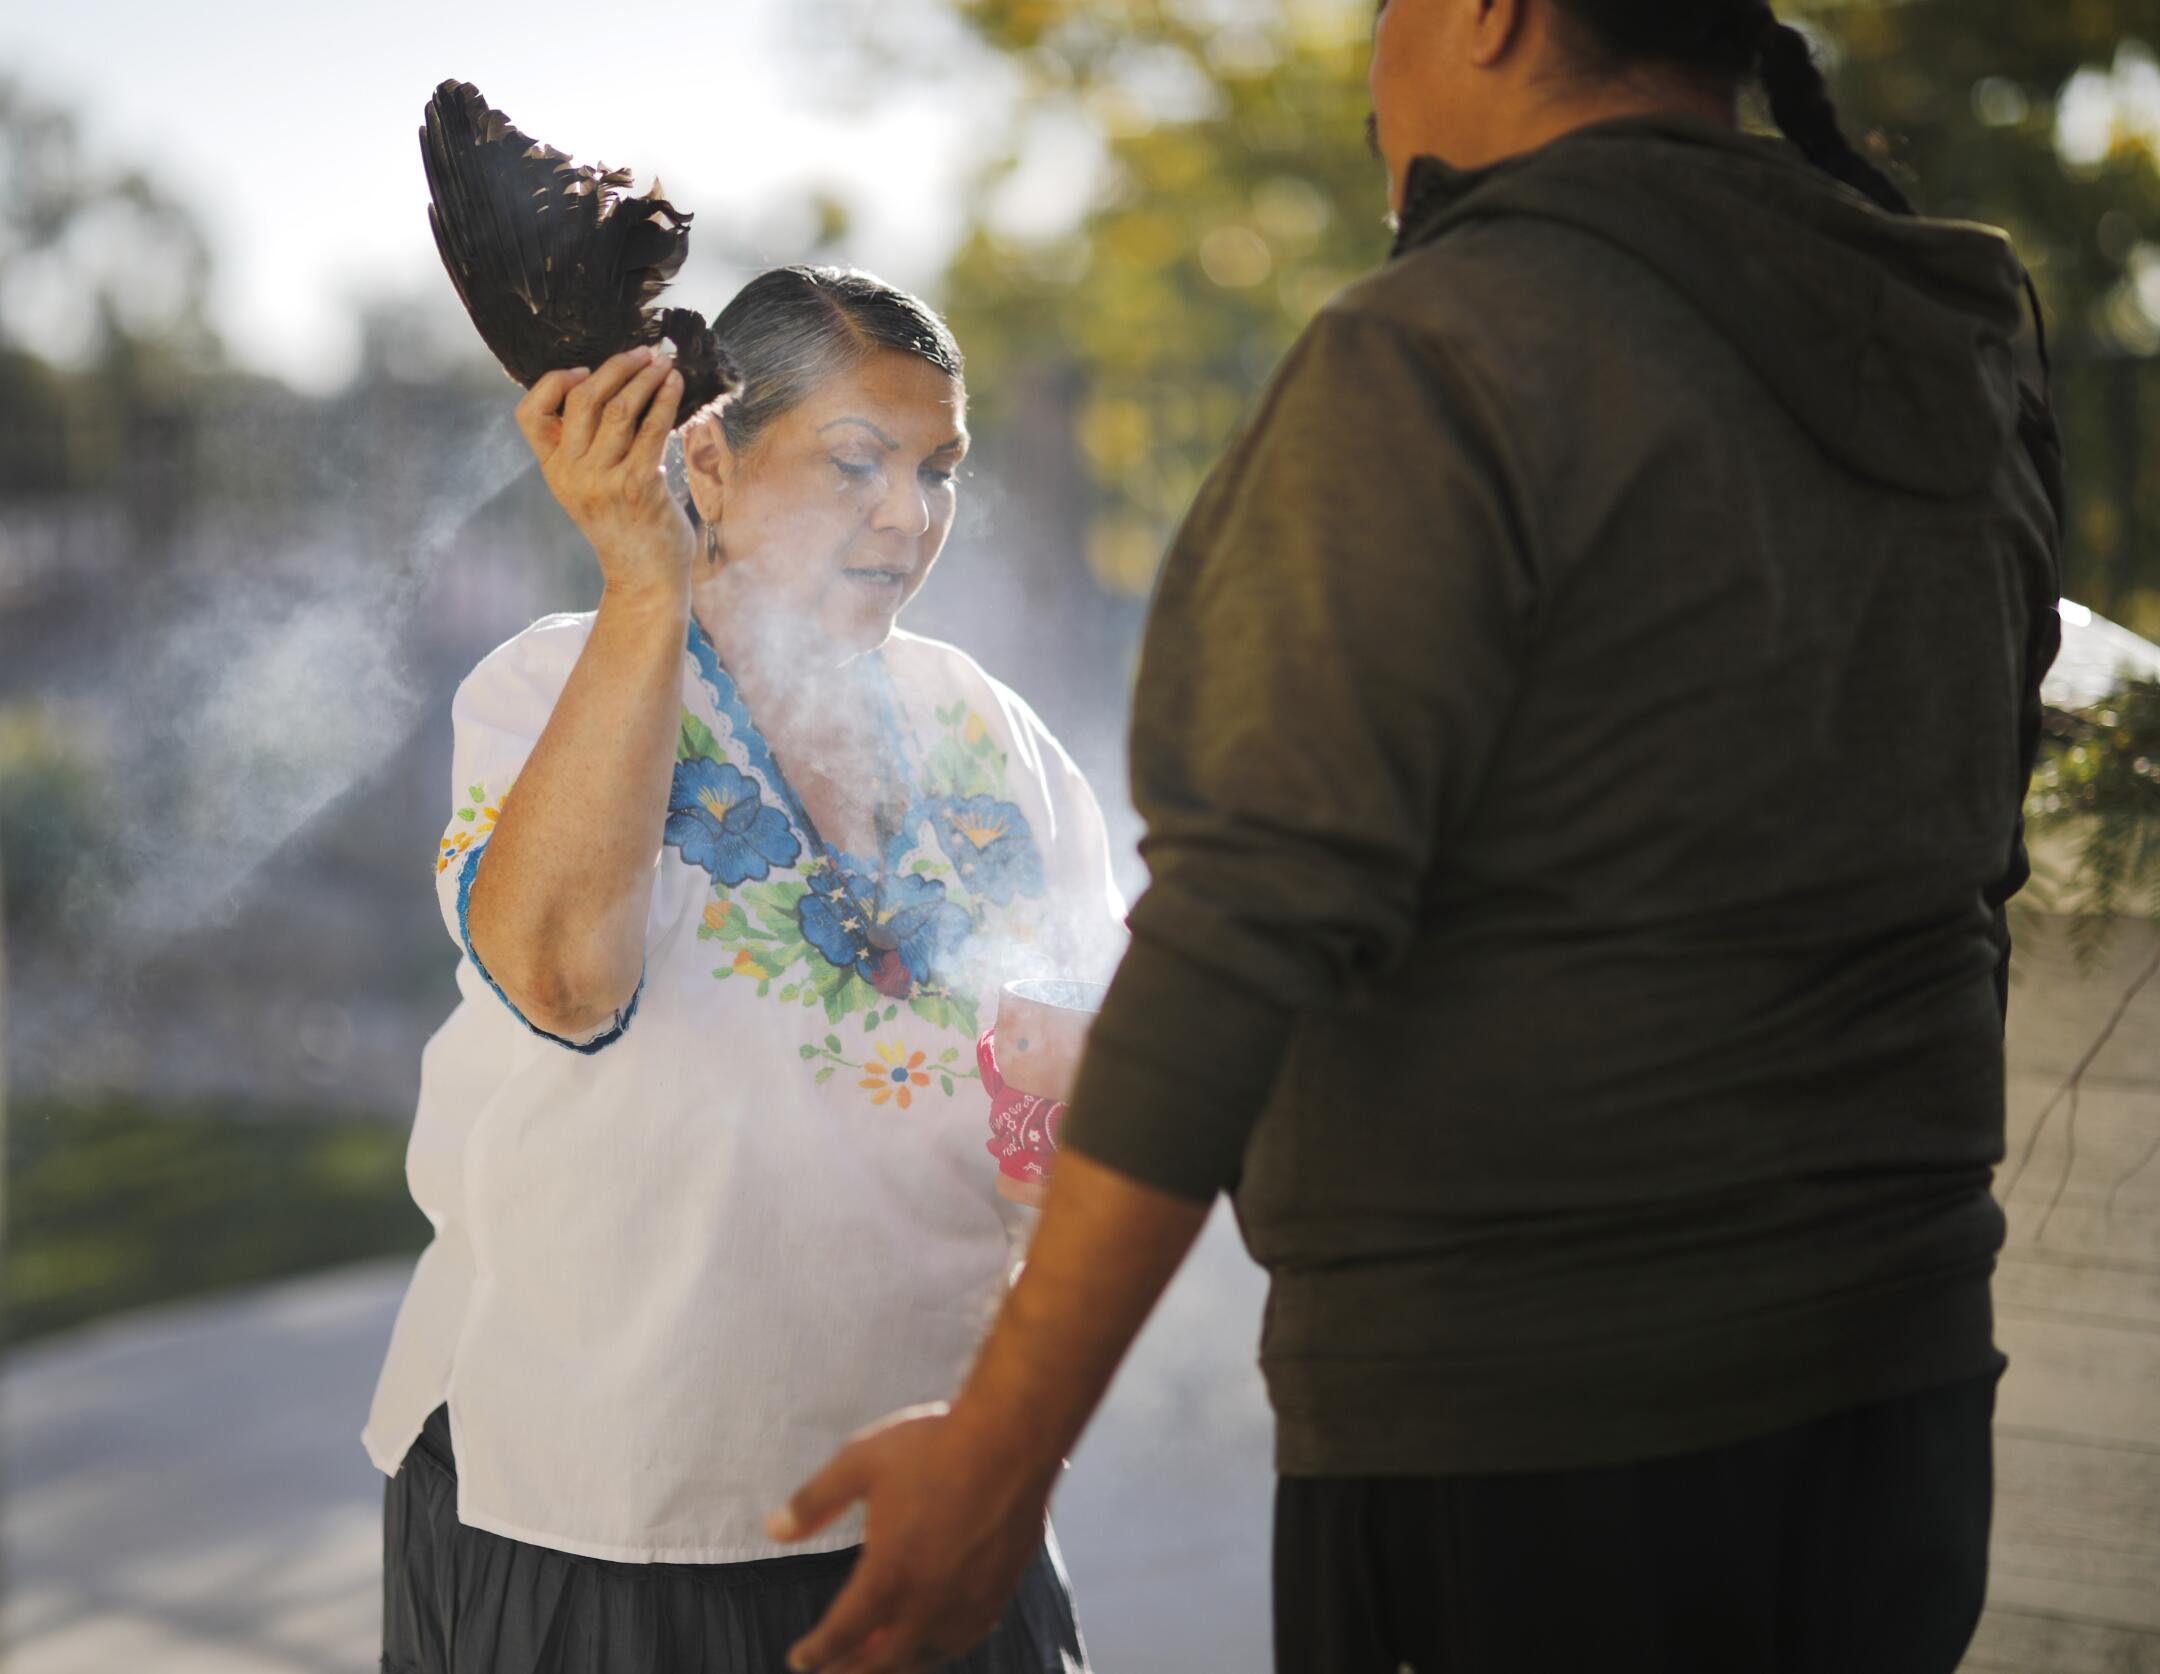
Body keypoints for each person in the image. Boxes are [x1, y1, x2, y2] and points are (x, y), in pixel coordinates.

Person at [770, 4, 2063, 1672]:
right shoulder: (1944, 330)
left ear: (1487, 16)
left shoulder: (1450, 346)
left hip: (1536, 1445)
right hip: (1899, 1394)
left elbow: (1243, 925)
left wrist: (1001, 1446)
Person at [362, 265, 1121, 1674]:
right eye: (856, 462)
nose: (908, 514)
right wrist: (645, 578)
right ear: (706, 457)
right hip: (599, 1511)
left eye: (938, 471)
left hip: (925, 1494)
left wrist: (1017, 1420)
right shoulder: (544, 687)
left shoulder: (991, 735)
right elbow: (564, 978)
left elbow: (1062, 1118)